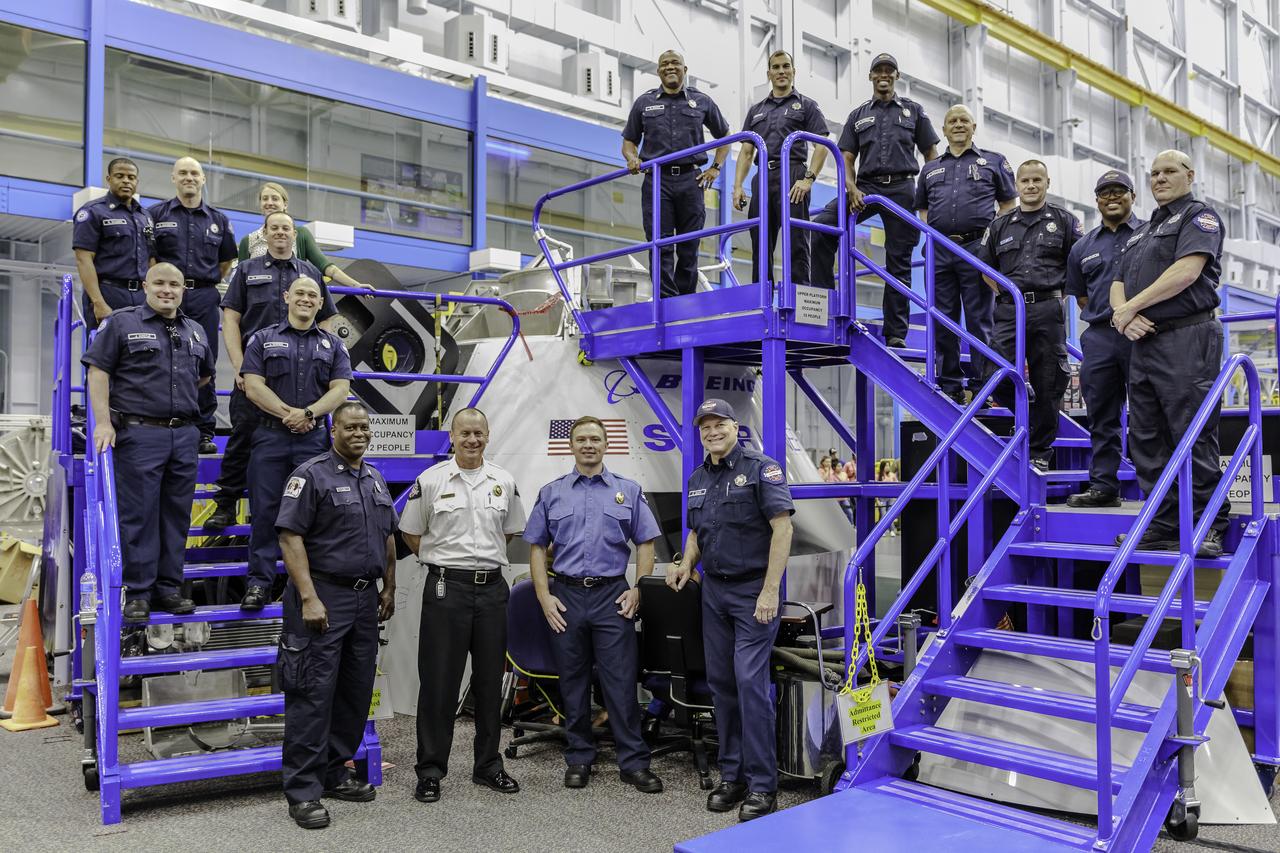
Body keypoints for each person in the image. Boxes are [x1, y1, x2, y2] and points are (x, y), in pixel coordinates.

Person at [668, 398, 794, 822]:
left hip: (753, 592)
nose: (712, 431)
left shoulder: (762, 469)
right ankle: (733, 775)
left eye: (719, 423)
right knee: (721, 683)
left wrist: (770, 590)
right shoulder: (697, 478)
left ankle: (762, 785)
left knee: (750, 683)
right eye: (705, 426)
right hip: (714, 593)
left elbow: (783, 528)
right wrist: (686, 562)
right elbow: (696, 533)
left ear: (735, 427)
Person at [524, 416, 664, 794]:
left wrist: (639, 589)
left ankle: (633, 762)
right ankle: (579, 757)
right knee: (572, 682)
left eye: (595, 439)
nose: (588, 445)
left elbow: (646, 543)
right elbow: (536, 547)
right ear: (571, 446)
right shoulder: (552, 493)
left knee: (621, 682)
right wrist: (543, 596)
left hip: (611, 596)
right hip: (567, 596)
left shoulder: (627, 490)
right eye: (582, 439)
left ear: (606, 445)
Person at [275, 401, 397, 829]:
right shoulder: (310, 476)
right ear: (333, 431)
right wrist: (309, 597)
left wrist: (390, 587)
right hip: (323, 595)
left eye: (364, 427)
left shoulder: (375, 477)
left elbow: (387, 537)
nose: (358, 433)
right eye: (350, 427)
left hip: (365, 601)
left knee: (354, 693)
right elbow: (290, 538)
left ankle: (332, 772)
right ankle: (302, 791)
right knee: (312, 694)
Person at [398, 408, 526, 804]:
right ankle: (430, 770)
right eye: (464, 433)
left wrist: (478, 564)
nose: (472, 440)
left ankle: (488, 765)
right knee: (439, 683)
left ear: (488, 436)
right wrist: (445, 561)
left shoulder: (504, 481)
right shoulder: (430, 480)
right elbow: (411, 534)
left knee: (489, 683)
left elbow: (508, 532)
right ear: (451, 436)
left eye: (478, 433)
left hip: (491, 591)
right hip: (445, 589)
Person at [1111, 150, 1229, 557]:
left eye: (1169, 171)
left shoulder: (1199, 217)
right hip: (1144, 342)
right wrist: (1123, 317)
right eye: (1154, 173)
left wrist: (1130, 309)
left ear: (1189, 175)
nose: (1159, 178)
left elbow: (1186, 272)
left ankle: (1208, 525)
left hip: (1187, 337)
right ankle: (1162, 524)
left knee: (1191, 432)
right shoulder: (1143, 231)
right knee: (1146, 437)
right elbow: (1117, 283)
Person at [81, 263, 212, 621]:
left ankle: (168, 589)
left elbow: (203, 377)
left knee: (176, 516)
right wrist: (103, 422)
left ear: (183, 289)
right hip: (139, 434)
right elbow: (98, 371)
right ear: (145, 286)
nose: (167, 290)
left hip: (184, 435)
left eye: (174, 284)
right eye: (160, 283)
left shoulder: (196, 330)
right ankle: (138, 592)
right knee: (139, 516)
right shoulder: (122, 323)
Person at [204, 212, 337, 532]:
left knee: (307, 449)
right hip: (255, 373)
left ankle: (305, 515)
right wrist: (239, 366)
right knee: (241, 438)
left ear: (294, 234)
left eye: (286, 228)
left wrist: (322, 363)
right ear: (264, 233)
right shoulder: (246, 270)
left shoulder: (309, 273)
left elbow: (327, 318)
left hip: (300, 374)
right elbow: (231, 319)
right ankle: (226, 503)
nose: (280, 232)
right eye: (274, 228)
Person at [238, 275, 351, 610]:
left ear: (320, 303)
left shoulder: (334, 345)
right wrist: (290, 414)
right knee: (264, 513)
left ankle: (309, 585)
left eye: (312, 295)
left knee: (313, 515)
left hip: (312, 441)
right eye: (300, 293)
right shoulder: (262, 339)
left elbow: (341, 389)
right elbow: (253, 386)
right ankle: (258, 584)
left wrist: (309, 413)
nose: (306, 299)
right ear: (287, 297)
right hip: (270, 437)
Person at [812, 53, 939, 347]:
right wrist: (851, 188)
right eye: (878, 70)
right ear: (870, 76)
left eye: (889, 70)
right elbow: (846, 157)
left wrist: (928, 193)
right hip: (866, 188)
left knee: (899, 261)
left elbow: (931, 154)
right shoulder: (858, 116)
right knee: (821, 229)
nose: (884, 75)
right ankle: (825, 309)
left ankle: (895, 334)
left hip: (903, 189)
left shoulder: (914, 112)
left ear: (897, 76)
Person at [976, 160, 1082, 471]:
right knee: (993, 373)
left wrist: (1060, 296)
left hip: (1048, 309)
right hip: (1010, 310)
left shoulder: (1065, 221)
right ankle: (1031, 412)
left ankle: (1039, 450)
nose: (1031, 185)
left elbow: (1078, 266)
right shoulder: (1000, 225)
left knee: (1049, 380)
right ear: (1017, 185)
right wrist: (1008, 294)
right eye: (1025, 180)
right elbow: (985, 269)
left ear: (1047, 182)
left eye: (1037, 179)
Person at [914, 105, 1017, 401]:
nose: (958, 125)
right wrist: (933, 234)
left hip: (977, 250)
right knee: (942, 318)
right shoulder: (930, 168)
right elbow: (923, 209)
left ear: (974, 127)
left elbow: (1008, 204)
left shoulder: (993, 161)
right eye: (952, 121)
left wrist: (990, 239)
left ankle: (984, 384)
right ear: (944, 130)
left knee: (980, 319)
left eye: (964, 120)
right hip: (940, 249)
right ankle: (950, 385)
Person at [622, 50, 731, 298]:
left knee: (689, 245)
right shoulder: (644, 103)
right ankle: (666, 302)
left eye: (675, 63)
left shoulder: (702, 101)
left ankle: (684, 300)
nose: (670, 67)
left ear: (685, 69)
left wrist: (715, 167)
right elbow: (628, 142)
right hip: (657, 181)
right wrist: (632, 158)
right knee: (659, 244)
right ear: (658, 71)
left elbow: (725, 136)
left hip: (691, 181)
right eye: (664, 64)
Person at [148, 157, 238, 454]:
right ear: (173, 178)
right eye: (183, 173)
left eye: (194, 173)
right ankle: (157, 423)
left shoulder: (219, 220)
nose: (189, 177)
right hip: (165, 297)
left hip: (203, 297)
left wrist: (200, 284)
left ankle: (202, 432)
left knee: (204, 361)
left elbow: (225, 261)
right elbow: (149, 258)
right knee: (159, 357)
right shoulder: (155, 215)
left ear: (203, 179)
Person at [1064, 170, 1141, 508]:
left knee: (1149, 413)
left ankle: (1160, 491)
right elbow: (1081, 296)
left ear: (1132, 196)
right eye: (1105, 193)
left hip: (1141, 334)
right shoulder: (1083, 246)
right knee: (1101, 415)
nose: (1112, 197)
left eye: (1119, 191)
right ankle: (1104, 487)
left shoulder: (1149, 234)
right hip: (1099, 337)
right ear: (1096, 200)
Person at [732, 50, 829, 285]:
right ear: (769, 73)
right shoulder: (756, 110)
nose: (781, 71)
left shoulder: (806, 105)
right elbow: (746, 152)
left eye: (786, 66)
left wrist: (808, 180)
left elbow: (822, 146)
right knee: (760, 239)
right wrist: (738, 186)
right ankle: (761, 296)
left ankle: (798, 296)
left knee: (796, 239)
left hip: (793, 175)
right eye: (776, 67)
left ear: (794, 71)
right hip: (763, 177)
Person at [238, 181, 370, 291]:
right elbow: (239, 283)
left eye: (275, 198)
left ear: (285, 204)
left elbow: (327, 267)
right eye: (265, 198)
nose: (269, 202)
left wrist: (356, 286)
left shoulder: (301, 235)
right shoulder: (248, 241)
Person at [73, 157, 154, 329]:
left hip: (142, 297)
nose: (126, 181)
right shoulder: (93, 212)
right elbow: (83, 259)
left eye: (131, 177)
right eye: (119, 176)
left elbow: (151, 258)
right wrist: (98, 302)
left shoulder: (145, 216)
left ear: (137, 182)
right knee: (106, 346)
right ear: (109, 179)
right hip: (107, 293)